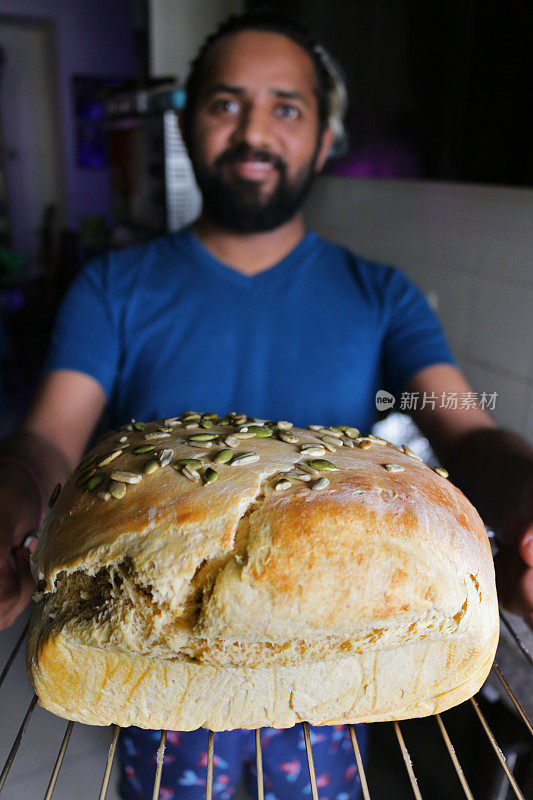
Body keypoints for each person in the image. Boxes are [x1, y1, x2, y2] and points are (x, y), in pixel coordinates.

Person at [0, 9, 532, 800]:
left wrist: (524, 500)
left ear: (322, 139)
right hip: (163, 662)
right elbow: (51, 437)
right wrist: (10, 491)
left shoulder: (378, 295)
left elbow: (466, 423)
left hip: (331, 648)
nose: (253, 130)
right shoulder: (112, 287)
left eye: (285, 107)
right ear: (186, 123)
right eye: (224, 103)